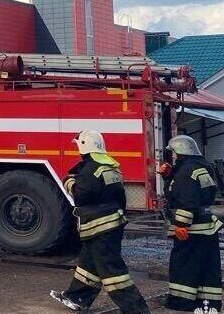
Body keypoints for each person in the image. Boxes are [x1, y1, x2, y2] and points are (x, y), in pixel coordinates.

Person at [50, 130, 150, 314]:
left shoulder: (90, 170)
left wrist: (69, 182)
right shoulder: (111, 168)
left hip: (99, 228)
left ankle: (137, 309)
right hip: (110, 226)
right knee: (88, 263)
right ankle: (76, 297)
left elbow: (81, 196)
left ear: (83, 146)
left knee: (113, 272)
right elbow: (121, 198)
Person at [163, 135, 224, 313]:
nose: (173, 156)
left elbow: (186, 199)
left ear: (180, 151)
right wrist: (169, 175)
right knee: (207, 266)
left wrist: (181, 225)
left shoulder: (185, 173)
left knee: (184, 264)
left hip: (192, 229)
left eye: (173, 153)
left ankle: (181, 301)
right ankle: (209, 303)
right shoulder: (202, 168)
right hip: (207, 227)